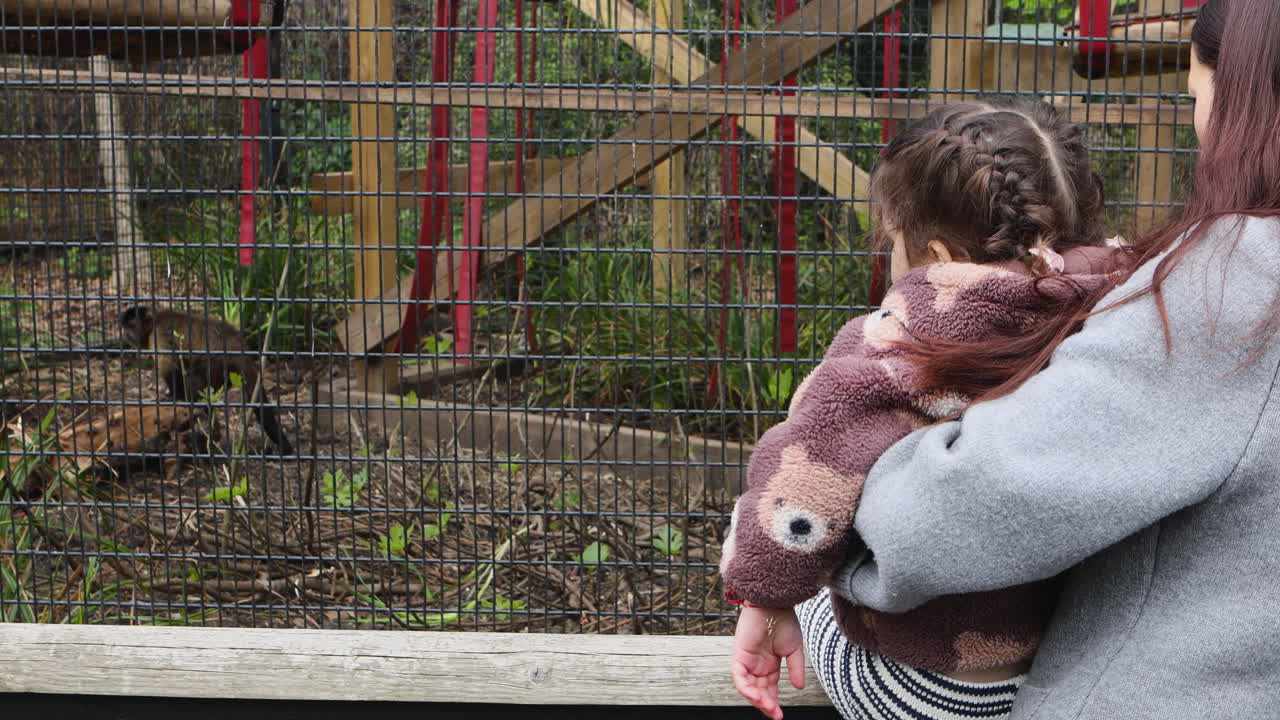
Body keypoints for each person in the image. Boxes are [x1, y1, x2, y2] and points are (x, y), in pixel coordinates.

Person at [731, 1, 1280, 718]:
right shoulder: (1097, 288)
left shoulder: (1230, 285)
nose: (1202, 132)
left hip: (949, 676)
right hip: (1038, 648)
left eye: (1199, 100)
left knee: (782, 518)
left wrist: (778, 581)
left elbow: (962, 508)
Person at [722, 96, 1126, 720]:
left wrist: (762, 600)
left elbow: (806, 473)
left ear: (935, 257)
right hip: (1068, 663)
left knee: (778, 528)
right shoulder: (1114, 318)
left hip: (916, 686)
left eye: (894, 240)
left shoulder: (903, 345)